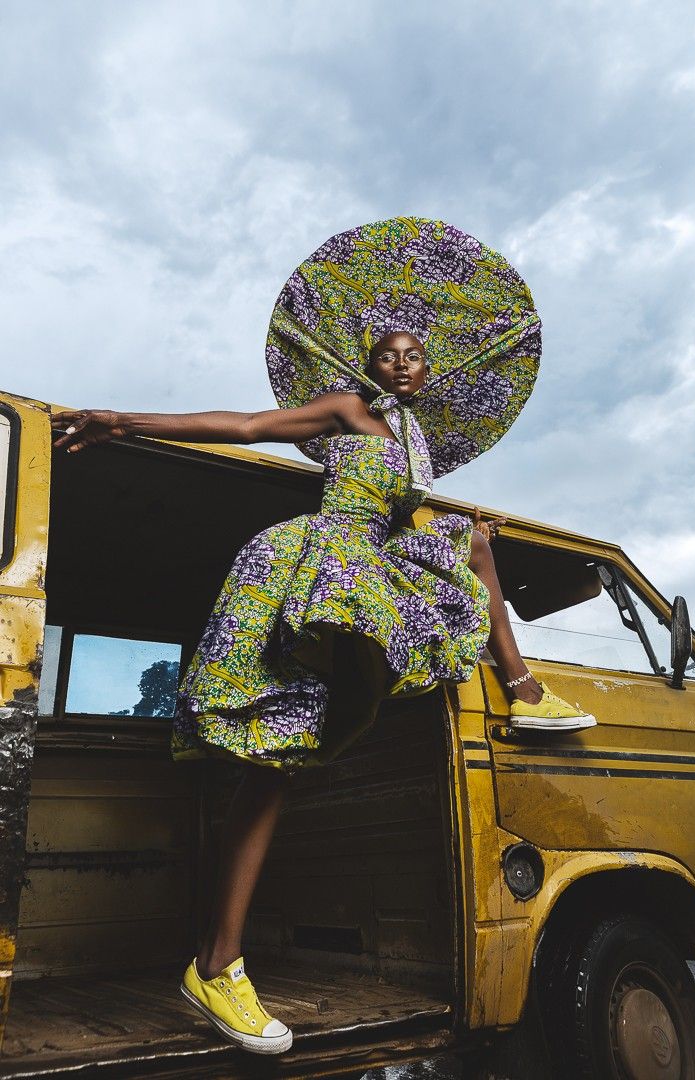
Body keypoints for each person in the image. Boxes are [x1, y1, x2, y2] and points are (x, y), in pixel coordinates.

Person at [51, 218, 595, 1056]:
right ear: (368, 367)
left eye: (414, 356)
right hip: (320, 567)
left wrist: (448, 528)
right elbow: (246, 425)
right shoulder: (347, 409)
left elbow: (428, 527)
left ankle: (523, 691)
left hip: (367, 574)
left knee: (470, 545)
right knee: (274, 762)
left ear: (428, 370)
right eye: (388, 355)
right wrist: (128, 421)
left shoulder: (416, 445)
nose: (402, 365)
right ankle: (217, 966)